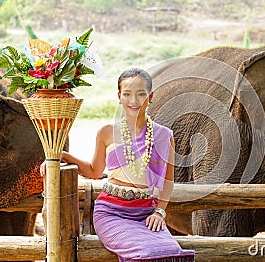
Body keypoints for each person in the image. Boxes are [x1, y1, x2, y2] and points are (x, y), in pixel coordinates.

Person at [41, 68, 195, 262]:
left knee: (171, 250)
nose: (134, 101)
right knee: (145, 253)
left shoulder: (164, 135)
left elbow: (167, 180)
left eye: (141, 94)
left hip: (146, 213)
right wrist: (61, 155)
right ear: (119, 96)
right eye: (127, 94)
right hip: (111, 212)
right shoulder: (106, 132)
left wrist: (160, 212)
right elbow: (94, 171)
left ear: (151, 96)